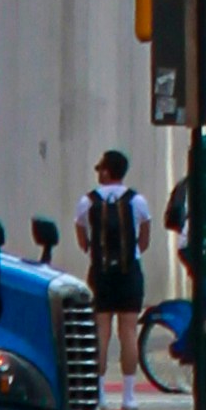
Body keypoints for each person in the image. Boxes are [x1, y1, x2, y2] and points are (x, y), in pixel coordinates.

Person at [78, 148, 152, 383]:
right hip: (129, 271)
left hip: (100, 272)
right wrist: (133, 253)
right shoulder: (137, 200)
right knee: (128, 331)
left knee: (101, 330)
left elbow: (82, 236)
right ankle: (129, 394)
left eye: (100, 168)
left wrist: (94, 252)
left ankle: (99, 391)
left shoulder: (87, 201)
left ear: (107, 171)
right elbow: (145, 237)